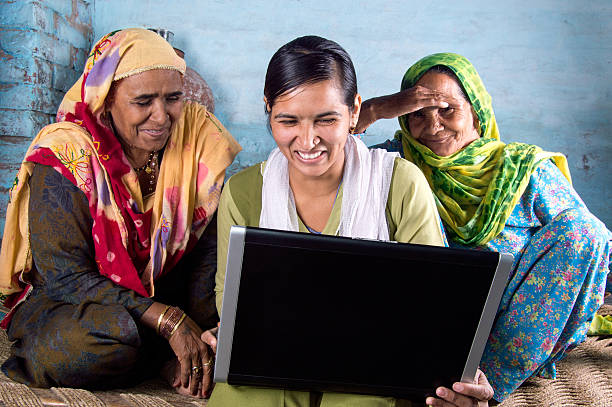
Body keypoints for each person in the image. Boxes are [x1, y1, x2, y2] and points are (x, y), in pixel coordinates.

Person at [203, 36, 495, 407]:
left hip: (376, 367)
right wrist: (225, 334)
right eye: (288, 121)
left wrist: (458, 376)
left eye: (327, 120)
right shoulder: (244, 192)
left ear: (355, 111)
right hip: (273, 364)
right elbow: (233, 304)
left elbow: (433, 313)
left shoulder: (400, 184)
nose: (307, 141)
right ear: (267, 109)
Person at [356, 52, 611, 401]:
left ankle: (481, 387)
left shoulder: (519, 167)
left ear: (476, 109)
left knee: (584, 231)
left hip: (519, 319)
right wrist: (373, 110)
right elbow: (323, 156)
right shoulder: (390, 161)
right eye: (416, 114)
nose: (432, 127)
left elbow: (593, 248)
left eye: (448, 109)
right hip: (426, 315)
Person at [0, 28, 241, 398]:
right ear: (107, 99)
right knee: (107, 339)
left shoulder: (194, 140)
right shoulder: (66, 155)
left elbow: (207, 253)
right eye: (143, 101)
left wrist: (203, 328)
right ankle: (159, 353)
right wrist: (168, 320)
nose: (161, 117)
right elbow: (66, 279)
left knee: (231, 333)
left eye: (172, 98)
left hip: (163, 293)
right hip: (73, 306)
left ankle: (178, 351)